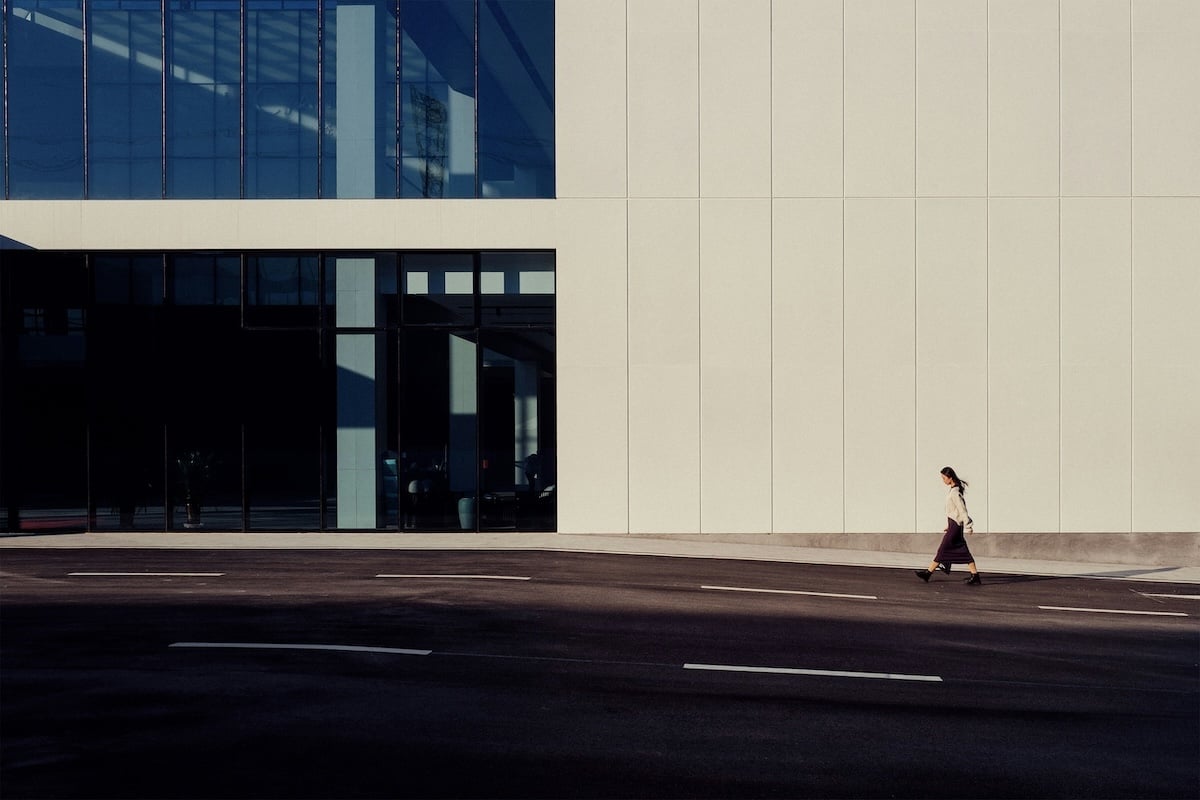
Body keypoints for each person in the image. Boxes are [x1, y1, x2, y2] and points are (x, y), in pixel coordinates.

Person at [915, 466, 981, 585]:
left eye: (944, 478)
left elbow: (962, 509)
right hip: (953, 525)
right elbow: (953, 511)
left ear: (950, 478)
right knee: (963, 551)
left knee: (943, 549)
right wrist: (949, 525)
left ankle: (928, 573)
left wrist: (968, 525)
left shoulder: (955, 492)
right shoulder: (952, 489)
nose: (943, 480)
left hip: (956, 526)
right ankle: (975, 575)